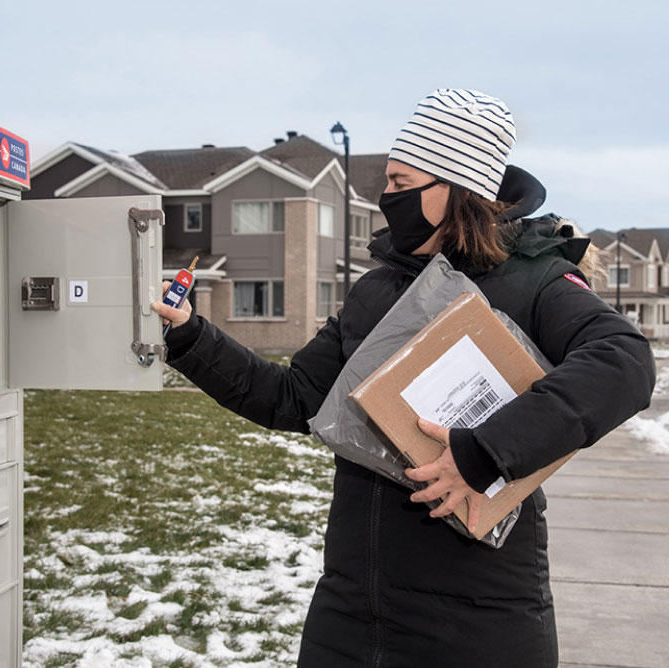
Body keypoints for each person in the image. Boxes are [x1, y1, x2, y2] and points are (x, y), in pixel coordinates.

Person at [151, 89, 655, 668]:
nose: (385, 196)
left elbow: (624, 361)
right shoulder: (375, 292)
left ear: (456, 186)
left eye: (399, 181)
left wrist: (485, 452)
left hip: (478, 620)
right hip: (351, 611)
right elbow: (293, 399)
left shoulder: (535, 279)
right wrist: (190, 336)